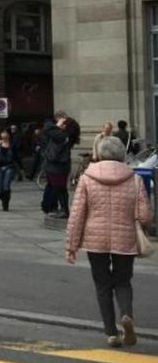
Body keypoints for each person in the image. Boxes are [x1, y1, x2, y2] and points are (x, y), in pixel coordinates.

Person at [65, 136, 154, 347]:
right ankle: (126, 315)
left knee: (102, 284)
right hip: (125, 239)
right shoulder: (135, 179)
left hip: (95, 240)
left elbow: (76, 214)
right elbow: (145, 216)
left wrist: (71, 246)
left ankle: (111, 333)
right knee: (123, 281)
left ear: (100, 154)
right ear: (122, 154)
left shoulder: (87, 178)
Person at [42, 117, 72, 220]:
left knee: (60, 189)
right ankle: (59, 209)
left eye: (62, 123)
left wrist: (57, 125)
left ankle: (63, 210)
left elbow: (46, 129)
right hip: (56, 166)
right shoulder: (61, 135)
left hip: (57, 167)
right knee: (58, 188)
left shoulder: (61, 135)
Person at [0, 130, 18, 212]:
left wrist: (20, 168)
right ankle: (4, 199)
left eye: (6, 133)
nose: (4, 134)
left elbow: (17, 156)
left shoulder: (12, 145)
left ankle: (5, 204)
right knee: (0, 189)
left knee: (6, 186)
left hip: (9, 167)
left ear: (9, 135)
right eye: (2, 133)